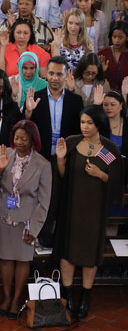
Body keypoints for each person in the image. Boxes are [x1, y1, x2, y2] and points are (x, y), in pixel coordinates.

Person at [55, 105, 124, 318]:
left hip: (94, 210)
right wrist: (59, 159)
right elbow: (62, 177)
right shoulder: (73, 143)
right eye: (82, 122)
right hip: (71, 208)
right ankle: (67, 296)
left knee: (90, 254)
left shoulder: (107, 149)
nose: (85, 127)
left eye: (89, 123)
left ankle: (85, 296)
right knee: (67, 252)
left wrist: (99, 174)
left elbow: (116, 180)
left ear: (98, 124)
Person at [0, 120, 51, 318]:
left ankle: (16, 299)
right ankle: (6, 297)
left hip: (26, 221)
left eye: (24, 138)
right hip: (3, 216)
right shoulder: (6, 154)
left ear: (33, 140)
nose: (20, 142)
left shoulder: (43, 164)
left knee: (23, 260)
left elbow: (44, 202)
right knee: (5, 258)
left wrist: (34, 229)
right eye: (16, 138)